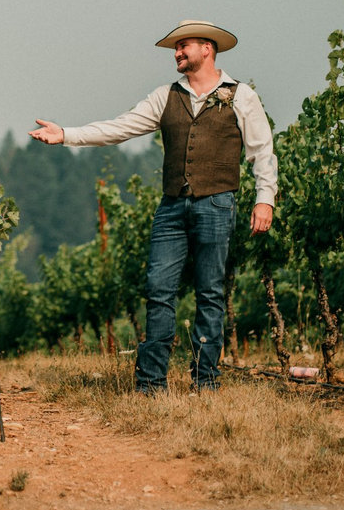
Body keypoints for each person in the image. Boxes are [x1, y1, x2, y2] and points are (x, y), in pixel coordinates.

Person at [29, 20, 276, 393]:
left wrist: (264, 199)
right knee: (158, 289)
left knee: (210, 293)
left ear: (207, 49)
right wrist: (67, 135)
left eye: (184, 46)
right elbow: (121, 127)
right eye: (176, 48)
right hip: (172, 207)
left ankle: (205, 382)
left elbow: (262, 151)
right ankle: (150, 384)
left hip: (218, 203)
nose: (177, 53)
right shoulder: (165, 96)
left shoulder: (241, 95)